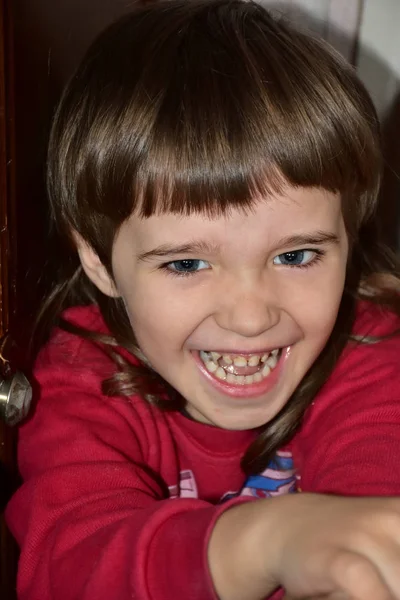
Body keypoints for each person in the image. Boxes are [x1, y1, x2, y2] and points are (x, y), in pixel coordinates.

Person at [6, 1, 400, 598]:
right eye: (186, 263)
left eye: (296, 256)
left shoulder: (369, 353)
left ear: (348, 236)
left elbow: (377, 513)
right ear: (98, 261)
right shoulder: (82, 380)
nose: (250, 317)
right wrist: (265, 543)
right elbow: (67, 567)